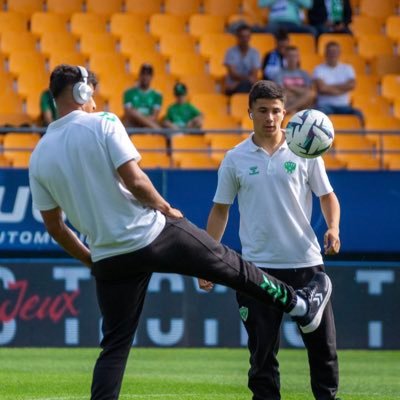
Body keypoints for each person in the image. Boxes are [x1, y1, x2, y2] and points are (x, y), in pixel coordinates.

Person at [29, 64, 333, 400]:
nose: (94, 100)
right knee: (230, 264)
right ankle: (299, 303)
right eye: (92, 94)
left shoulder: (38, 154)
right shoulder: (104, 122)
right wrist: (164, 207)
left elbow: (55, 227)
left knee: (114, 346)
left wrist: (91, 259)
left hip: (108, 257)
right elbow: (136, 180)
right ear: (83, 93)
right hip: (151, 234)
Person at [198, 80, 341, 400]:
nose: (270, 118)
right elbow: (220, 210)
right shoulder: (235, 158)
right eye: (262, 110)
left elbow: (328, 196)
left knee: (323, 350)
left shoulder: (306, 150)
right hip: (257, 269)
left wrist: (333, 228)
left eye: (276, 111)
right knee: (261, 355)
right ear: (250, 112)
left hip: (306, 264)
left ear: (285, 113)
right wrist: (208, 260)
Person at [313, 41, 363, 124]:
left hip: (344, 106)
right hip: (325, 105)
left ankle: (361, 136)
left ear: (339, 53)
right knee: (318, 116)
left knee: (358, 114)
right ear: (325, 53)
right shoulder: (319, 69)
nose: (333, 54)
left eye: (335, 52)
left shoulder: (347, 68)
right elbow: (322, 88)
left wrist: (329, 87)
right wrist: (342, 88)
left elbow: (352, 85)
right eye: (330, 52)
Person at [274, 45, 315, 114]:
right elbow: (281, 92)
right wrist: (300, 91)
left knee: (311, 94)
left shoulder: (304, 74)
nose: (292, 58)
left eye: (294, 56)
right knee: (285, 95)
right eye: (289, 56)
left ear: (298, 58)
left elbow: (309, 92)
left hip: (298, 103)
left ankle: (288, 110)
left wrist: (290, 87)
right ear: (285, 58)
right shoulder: (279, 73)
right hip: (289, 100)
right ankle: (293, 110)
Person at [122, 63, 163, 129]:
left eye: (148, 75)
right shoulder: (129, 93)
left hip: (148, 125)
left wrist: (139, 117)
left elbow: (154, 116)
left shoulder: (157, 95)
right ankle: (157, 129)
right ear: (139, 75)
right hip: (134, 124)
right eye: (143, 74)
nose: (145, 77)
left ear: (151, 77)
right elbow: (129, 114)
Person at [224, 23, 261, 95]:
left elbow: (254, 74)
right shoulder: (230, 52)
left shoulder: (255, 53)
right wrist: (247, 78)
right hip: (233, 87)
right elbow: (233, 75)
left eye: (247, 36)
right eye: (242, 37)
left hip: (248, 85)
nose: (245, 39)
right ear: (237, 37)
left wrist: (244, 79)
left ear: (250, 37)